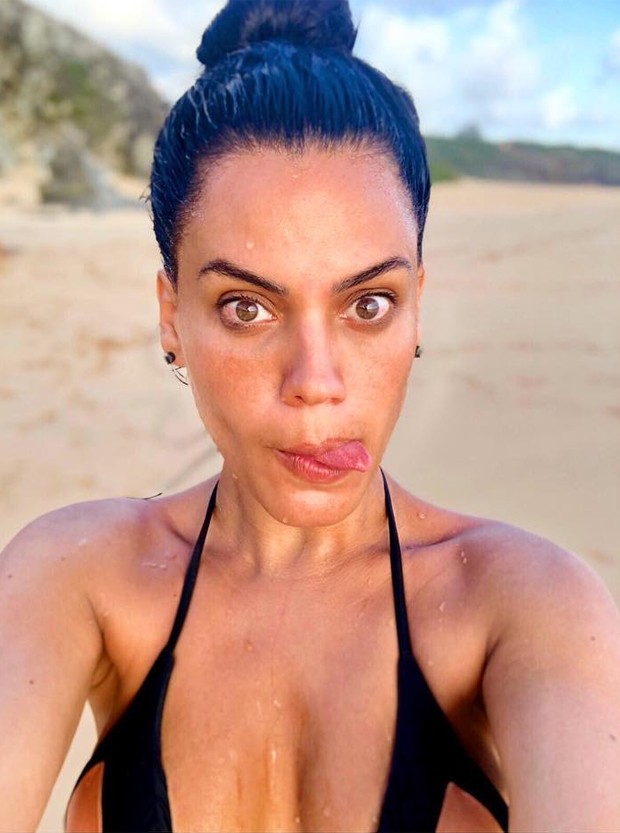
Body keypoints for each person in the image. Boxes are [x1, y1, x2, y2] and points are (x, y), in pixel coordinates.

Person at [2, 0, 620, 830]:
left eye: (368, 303)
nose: (317, 383)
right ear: (171, 316)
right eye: (247, 308)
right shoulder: (72, 576)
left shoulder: (527, 608)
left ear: (417, 305)